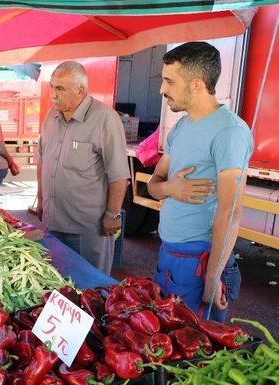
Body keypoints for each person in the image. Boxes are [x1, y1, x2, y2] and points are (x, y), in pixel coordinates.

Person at [147, 42, 252, 322]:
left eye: (169, 81)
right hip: (169, 253)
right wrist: (170, 188)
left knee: (196, 351)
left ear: (196, 84)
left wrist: (213, 277)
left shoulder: (230, 132)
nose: (162, 90)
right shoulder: (181, 126)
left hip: (200, 260)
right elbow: (153, 185)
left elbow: (230, 213)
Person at [36, 62, 130, 275]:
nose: (53, 94)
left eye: (60, 89)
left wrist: (112, 214)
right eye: (52, 87)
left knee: (91, 287)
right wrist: (41, 199)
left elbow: (119, 175)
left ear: (81, 90)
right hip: (53, 222)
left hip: (88, 228)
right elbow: (42, 158)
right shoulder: (52, 116)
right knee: (57, 283)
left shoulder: (105, 118)